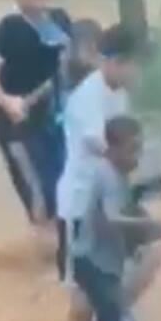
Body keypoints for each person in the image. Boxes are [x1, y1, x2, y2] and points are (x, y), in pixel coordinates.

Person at [65, 115, 161, 321]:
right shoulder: (108, 177)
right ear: (112, 149)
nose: (137, 156)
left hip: (91, 261)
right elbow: (113, 218)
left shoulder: (113, 173)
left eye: (139, 148)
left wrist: (153, 228)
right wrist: (152, 224)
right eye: (132, 149)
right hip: (96, 267)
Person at [0, 0, 73, 265]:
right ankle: (45, 257)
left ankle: (65, 250)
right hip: (17, 124)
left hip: (55, 118)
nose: (41, 0)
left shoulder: (60, 20)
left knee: (63, 181)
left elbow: (70, 63)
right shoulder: (7, 28)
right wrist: (8, 102)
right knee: (35, 189)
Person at [56, 23, 143, 283]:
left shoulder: (120, 95)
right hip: (80, 206)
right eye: (135, 64)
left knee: (112, 275)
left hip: (106, 205)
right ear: (116, 62)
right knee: (76, 287)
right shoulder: (87, 97)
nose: (138, 72)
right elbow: (105, 148)